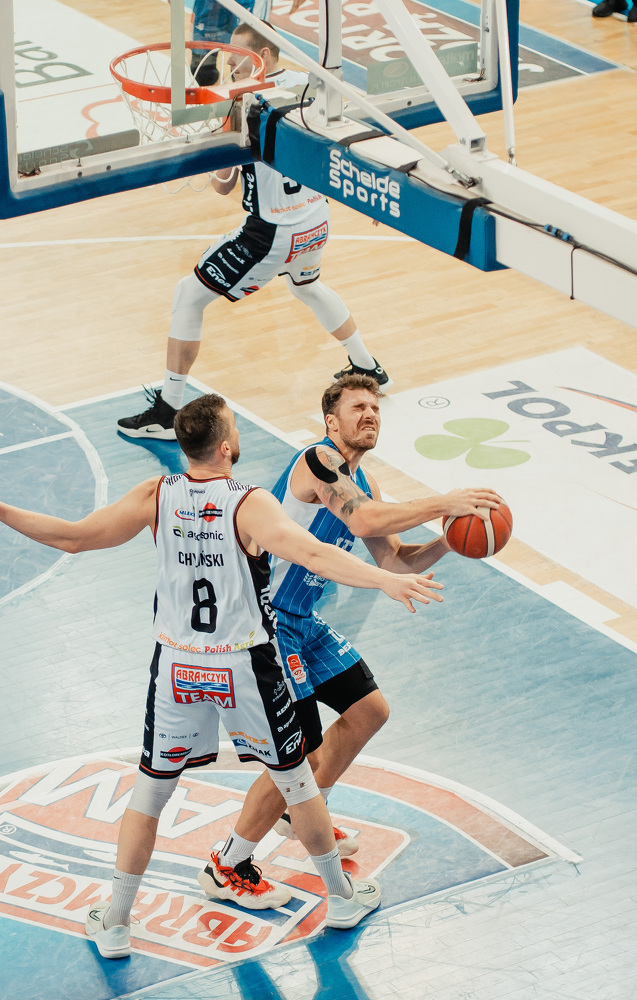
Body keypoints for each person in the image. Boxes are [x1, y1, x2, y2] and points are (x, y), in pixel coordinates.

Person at [0, 392, 444, 958]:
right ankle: (341, 897)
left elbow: (73, 536)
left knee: (150, 793)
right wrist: (386, 580)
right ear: (228, 447)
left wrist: (3, 509)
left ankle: (114, 921)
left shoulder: (155, 494)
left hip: (177, 665)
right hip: (243, 663)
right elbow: (313, 554)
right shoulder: (249, 503)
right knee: (297, 782)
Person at [194, 373, 503, 880]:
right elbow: (361, 521)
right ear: (330, 421)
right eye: (357, 407)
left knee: (368, 711)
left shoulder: (367, 485)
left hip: (302, 618)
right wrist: (444, 503)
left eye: (375, 408)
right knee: (298, 758)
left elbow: (397, 563)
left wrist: (452, 538)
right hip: (263, 619)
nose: (370, 414)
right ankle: (227, 863)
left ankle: (302, 813)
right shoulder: (317, 460)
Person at [118, 23, 390, 442]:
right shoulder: (309, 84)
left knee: (187, 295)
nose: (229, 60)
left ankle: (168, 411)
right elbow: (350, 136)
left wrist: (214, 146)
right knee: (307, 287)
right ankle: (367, 365)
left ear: (262, 54)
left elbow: (223, 185)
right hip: (316, 220)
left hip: (271, 234)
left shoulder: (242, 100)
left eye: (238, 53)